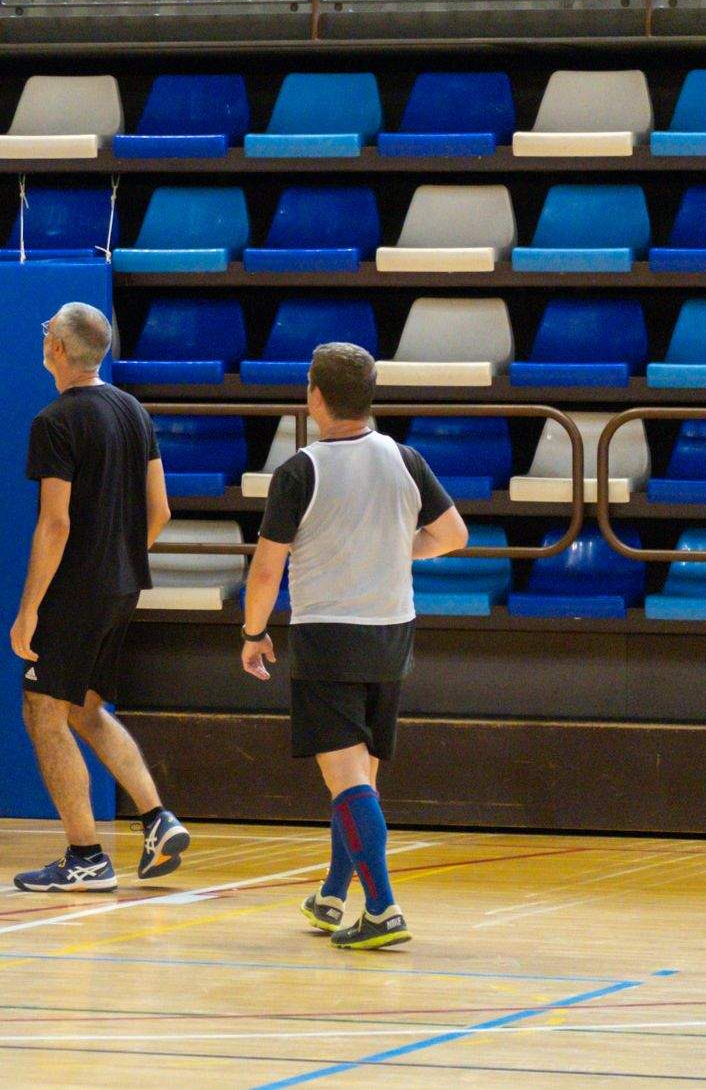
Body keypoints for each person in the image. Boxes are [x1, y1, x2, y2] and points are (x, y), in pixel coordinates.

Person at [241, 342, 468, 952]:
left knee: (346, 780)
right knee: (360, 776)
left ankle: (383, 908)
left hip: (329, 635)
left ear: (315, 396)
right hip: (393, 633)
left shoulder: (300, 471)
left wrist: (254, 632)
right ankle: (332, 896)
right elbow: (453, 534)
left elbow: (266, 570)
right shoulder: (405, 458)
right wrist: (400, 549)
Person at [9, 304, 189, 893]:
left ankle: (85, 856)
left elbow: (55, 523)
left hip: (75, 591)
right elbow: (160, 510)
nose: (43, 338)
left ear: (59, 349)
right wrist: (119, 558)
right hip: (123, 585)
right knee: (85, 709)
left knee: (43, 711)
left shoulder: (55, 421)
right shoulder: (133, 410)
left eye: (47, 331)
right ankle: (157, 819)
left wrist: (29, 610)